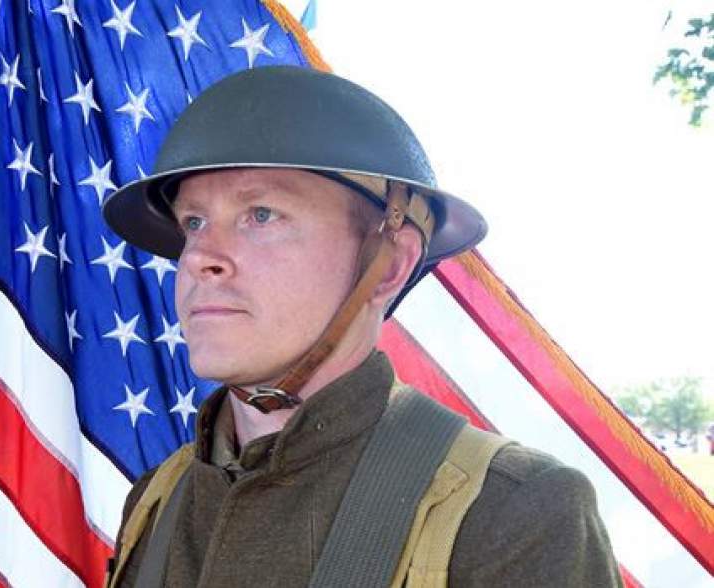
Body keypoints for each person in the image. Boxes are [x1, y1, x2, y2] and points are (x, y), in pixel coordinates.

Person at [101, 66, 622, 588]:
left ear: (391, 264)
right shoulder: (160, 498)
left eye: (261, 215)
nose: (201, 259)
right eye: (193, 222)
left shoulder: (512, 512)